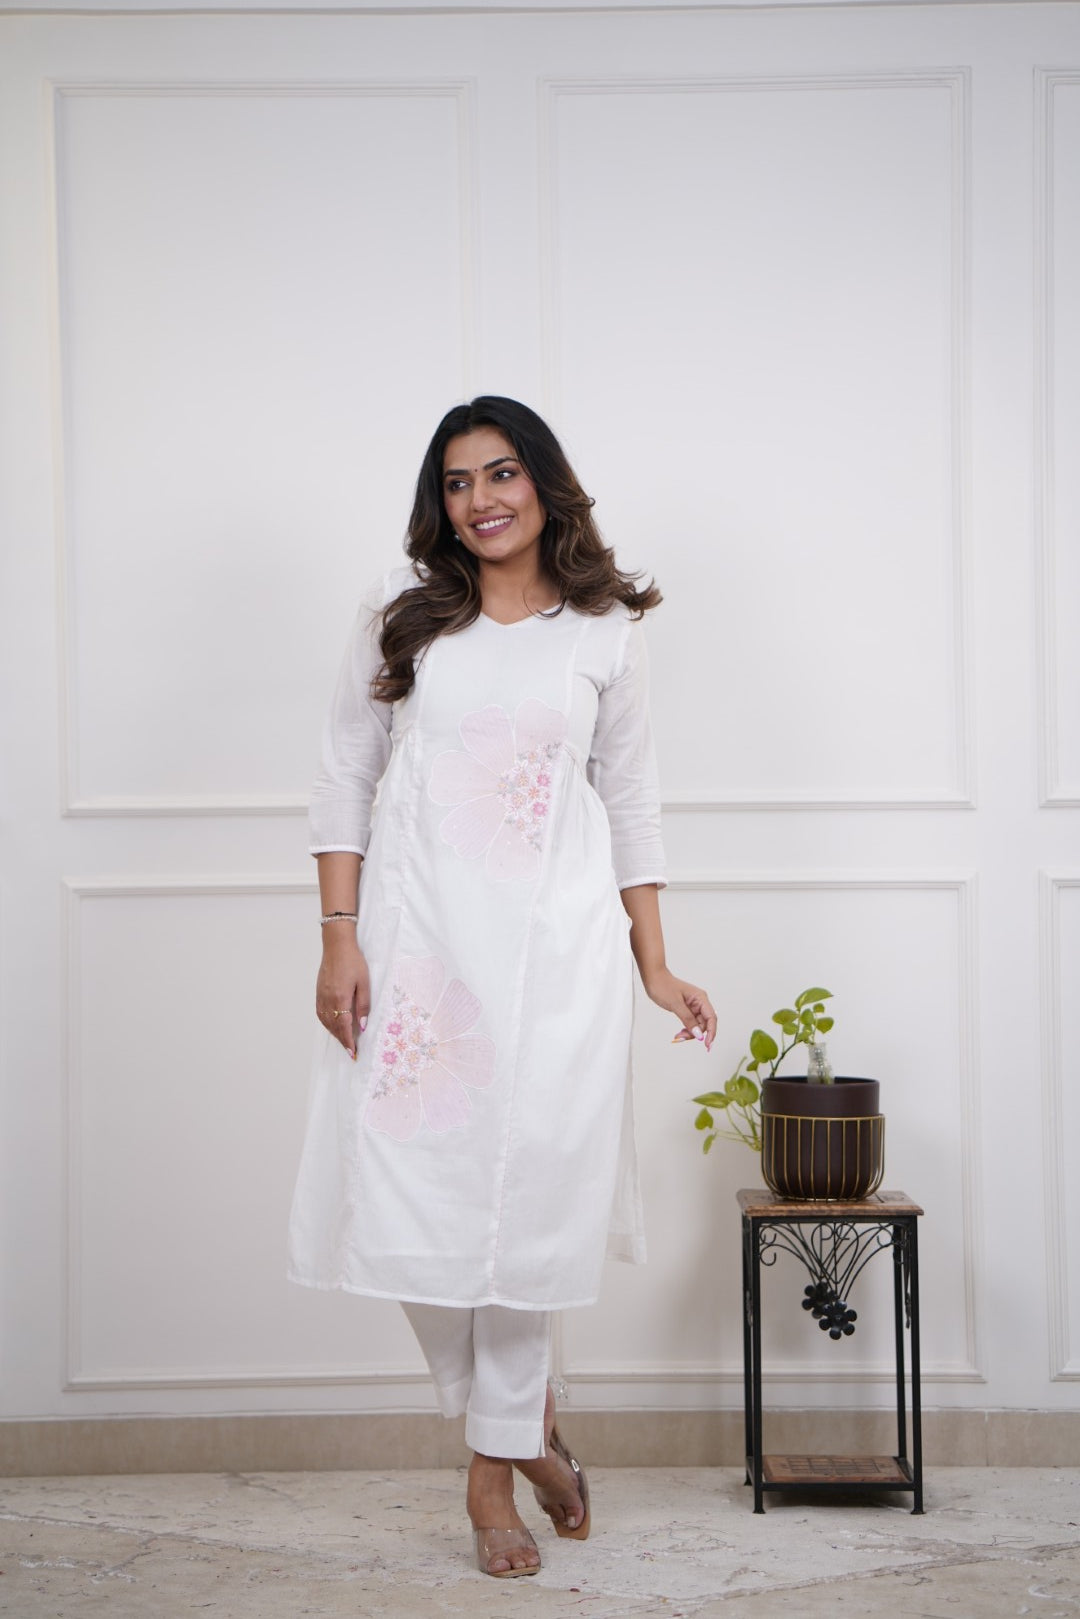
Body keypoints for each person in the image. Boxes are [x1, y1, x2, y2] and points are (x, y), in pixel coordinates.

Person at [287, 397, 716, 1578]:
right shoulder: (403, 607)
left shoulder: (604, 629)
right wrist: (337, 937)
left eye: (503, 473)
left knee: (527, 1205)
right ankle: (523, 1424)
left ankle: (489, 1471)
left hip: (555, 958)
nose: (482, 499)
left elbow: (632, 800)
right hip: (417, 951)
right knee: (406, 1193)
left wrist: (654, 959)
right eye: (459, 480)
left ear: (544, 483)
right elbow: (344, 774)